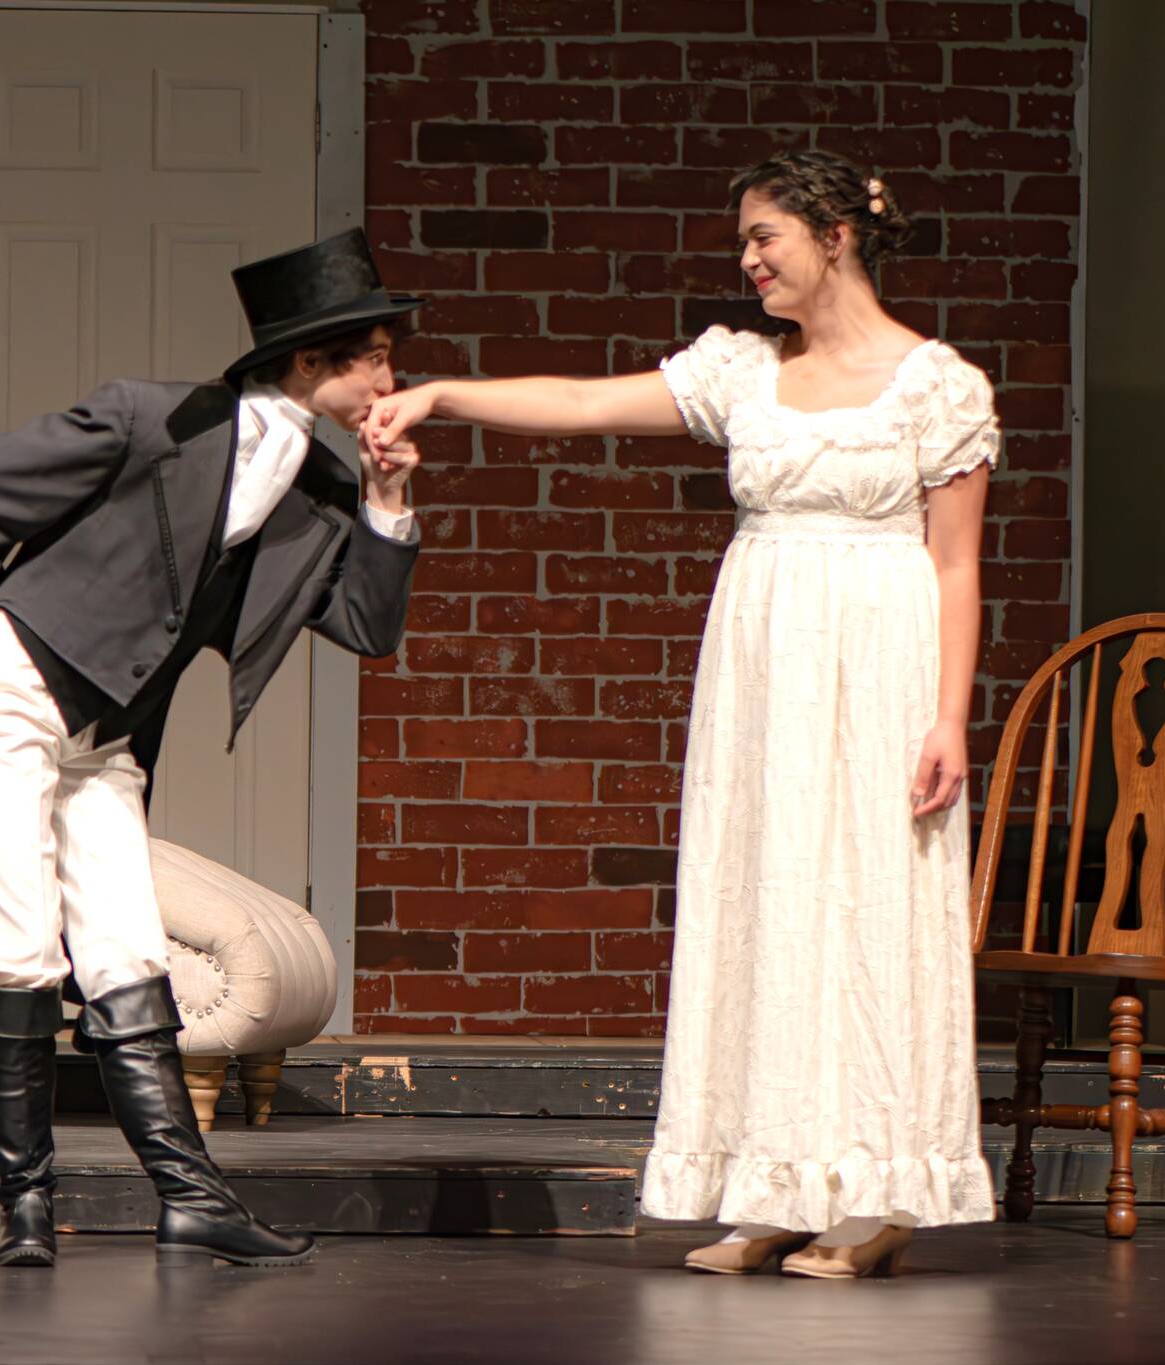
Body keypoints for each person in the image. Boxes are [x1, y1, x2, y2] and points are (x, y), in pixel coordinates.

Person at [366, 151, 998, 1278]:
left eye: (763, 237)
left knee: (868, 904)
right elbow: (582, 402)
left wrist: (948, 718)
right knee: (765, 901)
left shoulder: (935, 385)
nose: (747, 260)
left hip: (880, 653)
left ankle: (879, 1191)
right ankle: (770, 1187)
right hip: (763, 655)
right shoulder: (743, 372)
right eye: (744, 243)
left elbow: (955, 564)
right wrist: (442, 393)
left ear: (832, 237)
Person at [0, 228, 423, 1269]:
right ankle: (27, 1210)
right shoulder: (156, 418)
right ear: (314, 362)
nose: (390, 376)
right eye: (375, 355)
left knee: (127, 951)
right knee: (18, 948)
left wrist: (385, 499)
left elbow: (366, 627)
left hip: (103, 735)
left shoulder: (318, 491)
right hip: (10, 688)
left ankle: (191, 1201)